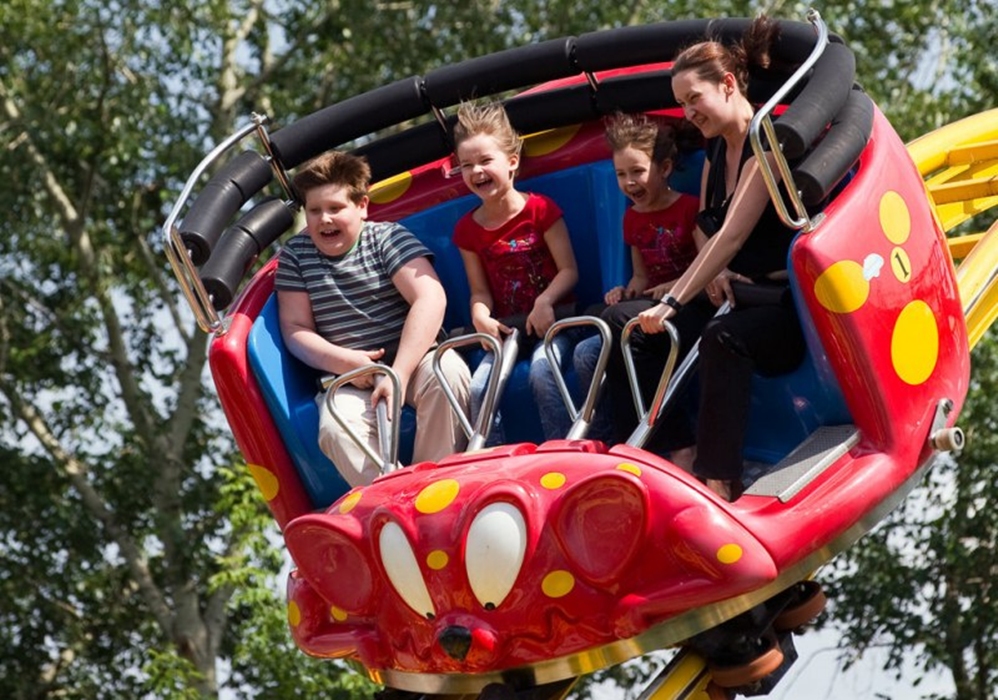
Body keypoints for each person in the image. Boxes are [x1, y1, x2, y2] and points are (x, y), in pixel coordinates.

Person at [603, 15, 807, 501]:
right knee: (620, 324)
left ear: (729, 84)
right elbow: (707, 227)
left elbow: (733, 236)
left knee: (723, 337)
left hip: (777, 305)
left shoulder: (765, 143)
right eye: (681, 104)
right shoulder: (718, 152)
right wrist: (707, 277)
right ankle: (670, 455)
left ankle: (720, 482)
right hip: (731, 292)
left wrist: (673, 300)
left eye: (694, 98)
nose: (688, 111)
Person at [276, 150, 471, 488]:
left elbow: (430, 296)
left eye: (335, 208)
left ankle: (436, 482)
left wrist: (399, 374)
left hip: (412, 360)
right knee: (335, 429)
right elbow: (295, 329)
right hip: (350, 376)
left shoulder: (386, 238)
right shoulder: (296, 256)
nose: (324, 220)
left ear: (362, 206)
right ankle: (394, 492)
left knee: (449, 376)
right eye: (315, 210)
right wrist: (346, 362)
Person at [451, 101, 580, 443]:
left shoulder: (540, 210)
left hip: (552, 321)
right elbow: (479, 291)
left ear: (512, 162)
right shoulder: (467, 230)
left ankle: (563, 445)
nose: (476, 171)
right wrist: (479, 315)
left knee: (542, 370)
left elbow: (568, 270)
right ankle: (491, 456)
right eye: (466, 165)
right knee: (479, 388)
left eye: (485, 161)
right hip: (509, 330)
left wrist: (545, 301)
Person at [572, 112, 699, 442]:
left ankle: (654, 440)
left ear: (665, 169)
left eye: (638, 172)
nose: (629, 182)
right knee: (604, 328)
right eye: (621, 174)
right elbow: (641, 276)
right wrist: (625, 292)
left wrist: (672, 287)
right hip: (649, 307)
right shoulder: (631, 219)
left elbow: (706, 266)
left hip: (687, 302)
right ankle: (625, 438)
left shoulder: (688, 208)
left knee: (621, 330)